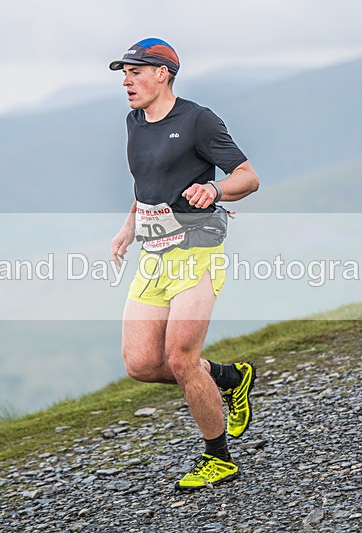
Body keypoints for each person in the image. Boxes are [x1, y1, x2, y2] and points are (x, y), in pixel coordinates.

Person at [109, 37, 260, 490]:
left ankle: (219, 458)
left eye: (136, 71)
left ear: (163, 74)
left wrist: (214, 190)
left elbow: (248, 177)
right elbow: (147, 184)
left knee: (179, 357)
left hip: (197, 253)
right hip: (154, 257)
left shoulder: (199, 120)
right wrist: (128, 227)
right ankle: (230, 378)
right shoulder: (134, 122)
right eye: (124, 73)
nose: (127, 80)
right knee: (140, 364)